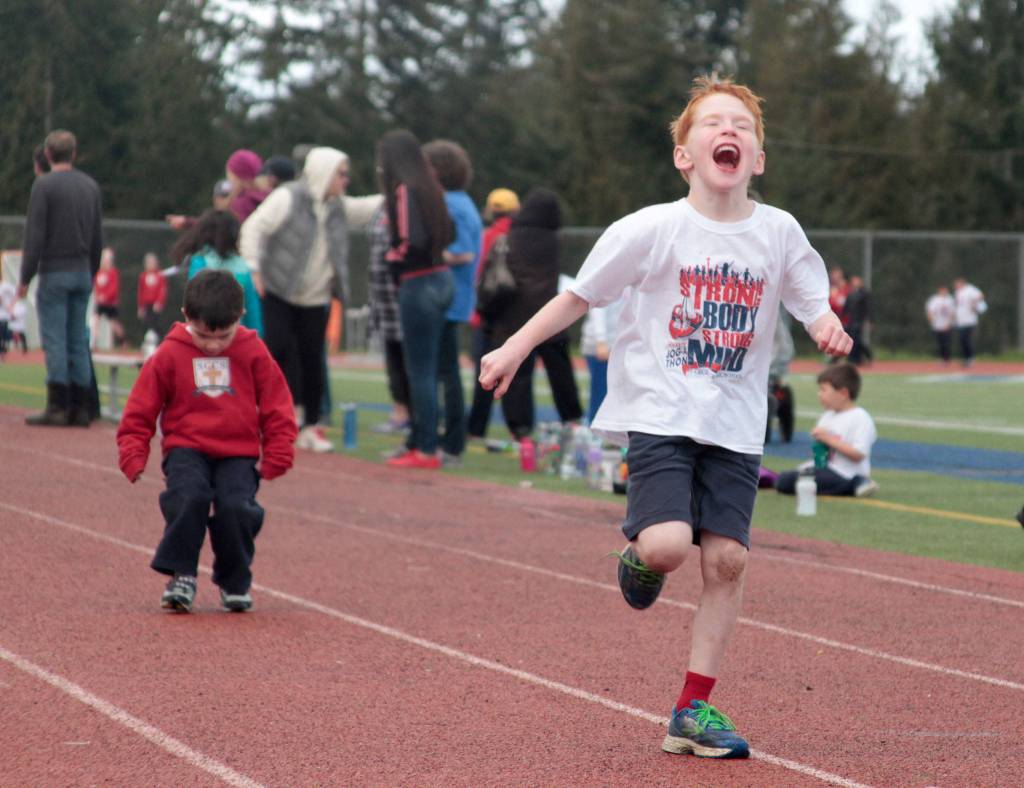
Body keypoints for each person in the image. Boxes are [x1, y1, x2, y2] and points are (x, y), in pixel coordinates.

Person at [480, 76, 852, 759]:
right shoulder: (653, 228)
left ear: (759, 158)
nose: (728, 132)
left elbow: (811, 296)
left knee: (730, 561)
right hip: (662, 413)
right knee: (668, 548)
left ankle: (692, 709)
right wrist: (513, 345)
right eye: (712, 123)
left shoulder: (778, 232)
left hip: (736, 424)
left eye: (742, 125)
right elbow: (580, 298)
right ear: (685, 154)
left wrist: (828, 323)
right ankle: (638, 554)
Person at [116, 270, 296, 613]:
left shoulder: (253, 351)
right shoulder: (169, 354)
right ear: (186, 315)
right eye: (202, 336)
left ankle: (235, 580)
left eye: (223, 336)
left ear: (239, 318)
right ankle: (182, 574)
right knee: (189, 496)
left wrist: (279, 450)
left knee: (236, 508)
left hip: (238, 452)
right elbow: (141, 408)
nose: (213, 345)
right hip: (187, 447)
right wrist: (133, 451)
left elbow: (277, 404)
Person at [240, 146, 380, 452]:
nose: (346, 181)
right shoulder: (288, 196)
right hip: (279, 290)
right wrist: (253, 269)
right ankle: (273, 417)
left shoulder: (337, 207)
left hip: (316, 297)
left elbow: (368, 207)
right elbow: (254, 227)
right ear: (325, 173)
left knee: (313, 359)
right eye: (341, 174)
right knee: (277, 351)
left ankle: (311, 425)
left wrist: (403, 190)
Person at [378, 129, 454, 469]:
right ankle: (420, 441)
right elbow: (447, 233)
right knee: (434, 368)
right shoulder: (432, 188)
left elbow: (411, 241)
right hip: (441, 278)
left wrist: (392, 256)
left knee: (420, 370)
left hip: (419, 282)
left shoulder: (406, 190)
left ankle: (425, 448)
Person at [19, 129, 103, 427]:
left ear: (49, 155)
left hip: (54, 270)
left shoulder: (44, 186)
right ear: (74, 153)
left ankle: (57, 406)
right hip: (82, 271)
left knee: (55, 338)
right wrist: (91, 272)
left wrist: (25, 276)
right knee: (78, 339)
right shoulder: (90, 186)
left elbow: (35, 234)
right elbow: (97, 237)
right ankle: (80, 408)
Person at [488, 187, 583, 440]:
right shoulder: (554, 240)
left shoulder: (512, 237)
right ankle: (572, 420)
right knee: (561, 373)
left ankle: (520, 431)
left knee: (518, 376)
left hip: (516, 318)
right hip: (551, 318)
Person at [424, 139, 483, 466]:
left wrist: (425, 256)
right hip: (450, 299)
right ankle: (440, 440)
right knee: (442, 372)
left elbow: (463, 251)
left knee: (445, 374)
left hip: (447, 299)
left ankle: (451, 444)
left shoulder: (453, 204)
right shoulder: (458, 201)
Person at [774, 363, 878, 498]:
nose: (819, 394)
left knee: (790, 482)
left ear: (843, 393)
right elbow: (820, 461)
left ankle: (857, 482)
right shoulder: (827, 416)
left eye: (823, 390)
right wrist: (819, 446)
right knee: (783, 479)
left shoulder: (860, 417)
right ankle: (850, 487)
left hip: (846, 473)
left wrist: (828, 439)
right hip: (827, 470)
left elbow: (858, 454)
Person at [466, 188, 521, 440]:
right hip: (513, 315)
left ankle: (477, 428)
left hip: (486, 313)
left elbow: (476, 276)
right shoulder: (520, 236)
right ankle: (518, 431)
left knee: (484, 374)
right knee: (517, 374)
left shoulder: (485, 236)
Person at [171, 209, 263, 335]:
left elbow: (193, 302)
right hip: (236, 334)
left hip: (205, 334)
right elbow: (252, 309)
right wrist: (257, 338)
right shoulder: (242, 266)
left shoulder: (200, 261)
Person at [580, 294, 625, 424]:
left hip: (614, 343)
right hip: (600, 345)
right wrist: (601, 341)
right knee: (601, 393)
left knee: (614, 391)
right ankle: (594, 428)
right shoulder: (609, 281)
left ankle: (605, 427)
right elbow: (598, 310)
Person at [92, 247, 125, 349]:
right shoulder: (99, 272)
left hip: (110, 303)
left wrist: (105, 297)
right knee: (95, 320)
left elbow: (114, 288)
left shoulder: (113, 272)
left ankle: (123, 341)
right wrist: (99, 296)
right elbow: (97, 286)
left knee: (114, 324)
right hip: (100, 303)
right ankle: (94, 342)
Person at [953, 277, 986, 367]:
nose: (956, 286)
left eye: (957, 284)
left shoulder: (970, 289)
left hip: (970, 320)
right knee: (962, 340)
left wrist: (974, 304)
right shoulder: (957, 292)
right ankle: (966, 358)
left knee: (966, 340)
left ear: (962, 283)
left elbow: (980, 295)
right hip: (960, 321)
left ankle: (970, 358)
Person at [137, 253, 168, 338]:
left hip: (155, 304)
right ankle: (150, 340)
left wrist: (159, 302)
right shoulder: (143, 276)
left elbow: (162, 290)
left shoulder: (160, 275)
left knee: (155, 322)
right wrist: (141, 306)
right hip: (146, 303)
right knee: (147, 322)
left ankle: (161, 339)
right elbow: (141, 292)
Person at [843, 274, 872, 366]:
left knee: (856, 339)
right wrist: (841, 317)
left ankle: (861, 357)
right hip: (851, 320)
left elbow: (868, 308)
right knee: (852, 338)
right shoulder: (850, 293)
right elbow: (846, 307)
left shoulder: (864, 293)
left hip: (859, 320)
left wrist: (870, 320)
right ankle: (854, 358)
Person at [925, 284, 955, 365]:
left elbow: (952, 313)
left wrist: (949, 324)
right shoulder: (934, 299)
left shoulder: (950, 300)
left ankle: (947, 359)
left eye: (945, 290)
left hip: (947, 325)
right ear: (939, 290)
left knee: (946, 342)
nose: (944, 292)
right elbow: (930, 311)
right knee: (939, 342)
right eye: (942, 290)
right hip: (937, 324)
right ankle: (941, 358)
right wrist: (932, 321)